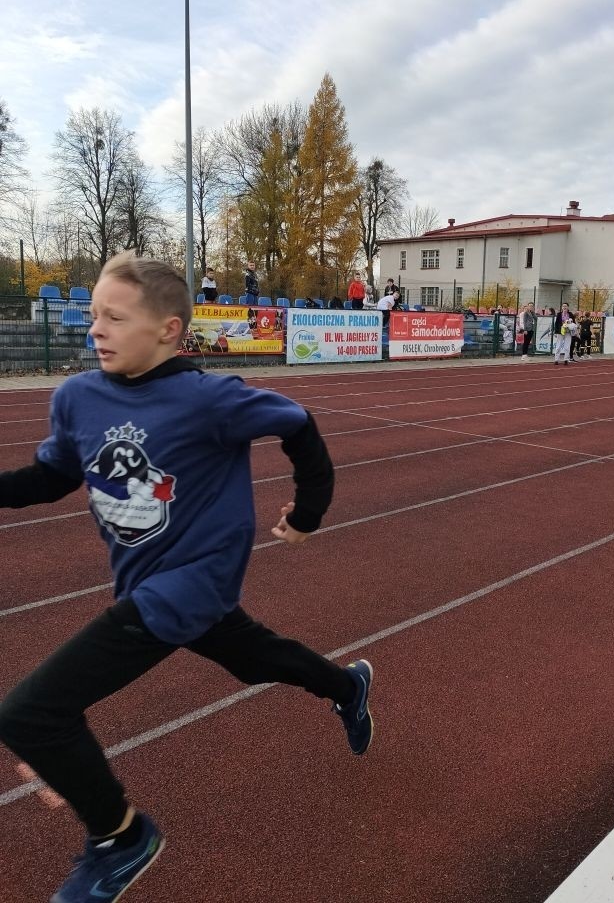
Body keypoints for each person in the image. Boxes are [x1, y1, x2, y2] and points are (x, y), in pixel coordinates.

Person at [0, 252, 374, 903]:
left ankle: (121, 838)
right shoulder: (77, 397)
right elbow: (53, 478)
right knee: (256, 658)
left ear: (169, 330)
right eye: (93, 316)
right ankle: (348, 685)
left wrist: (310, 510)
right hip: (145, 582)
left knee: (31, 714)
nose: (97, 330)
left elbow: (298, 425)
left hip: (192, 583)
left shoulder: (209, 400)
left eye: (115, 318)